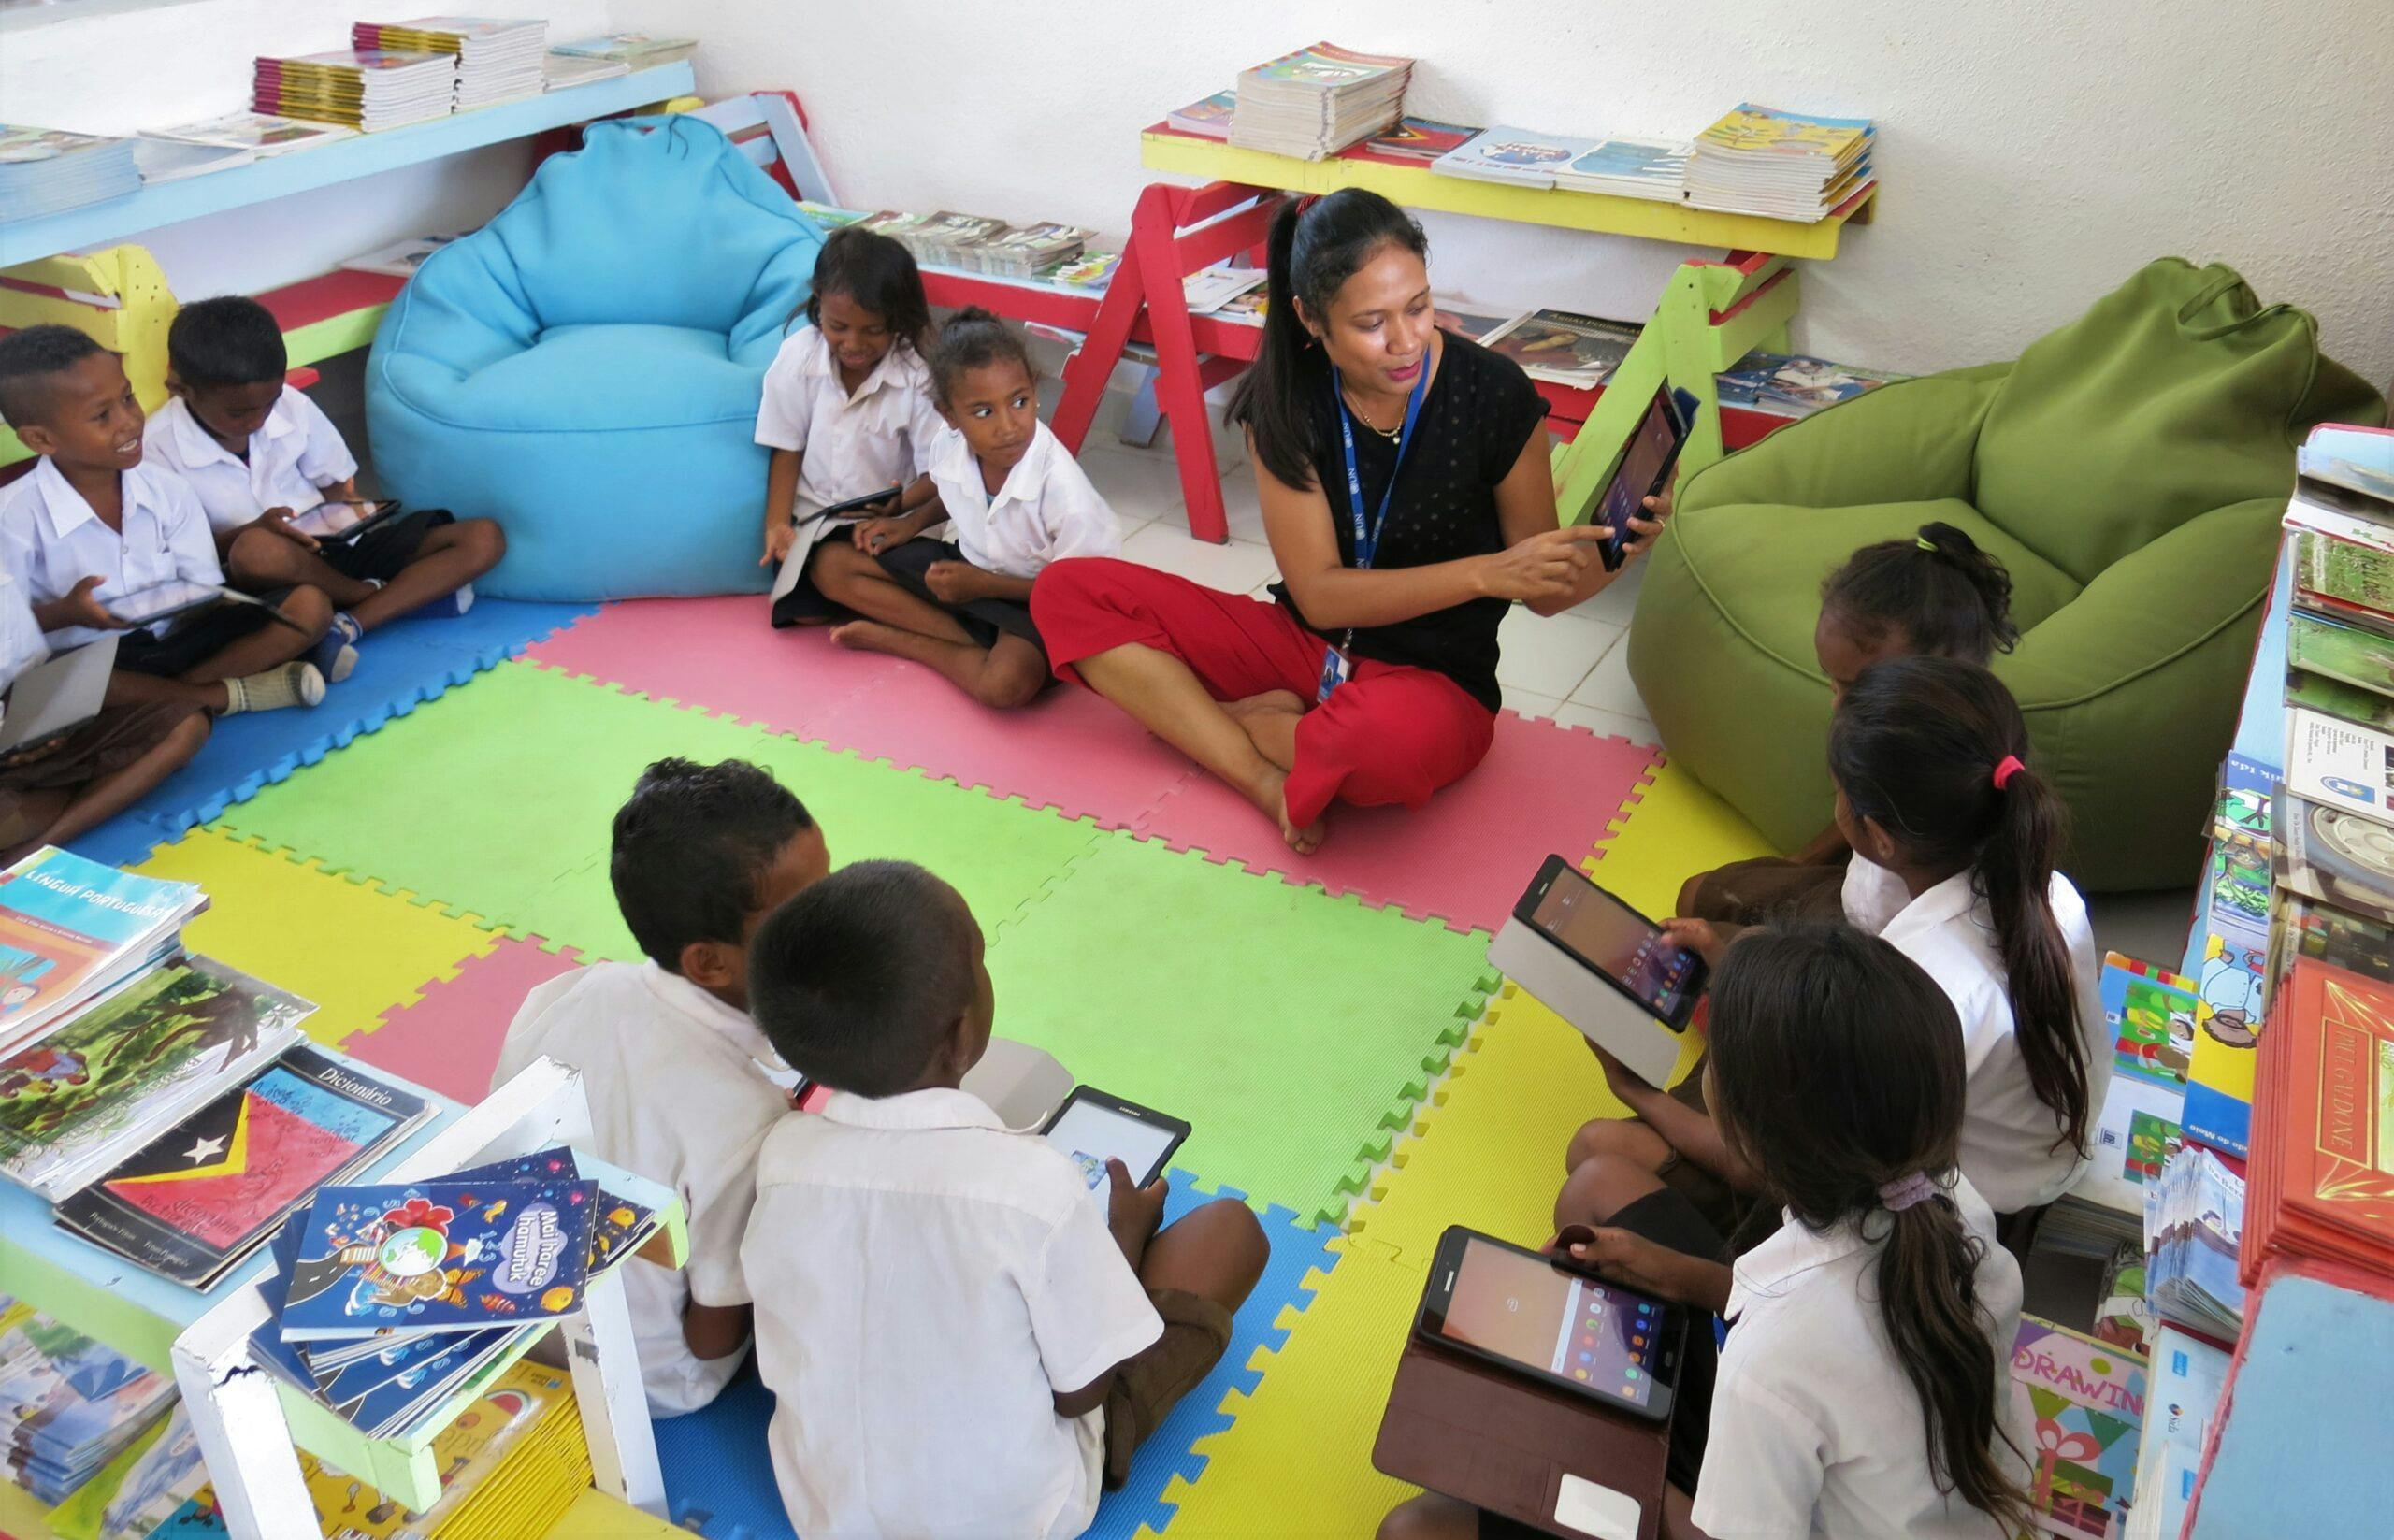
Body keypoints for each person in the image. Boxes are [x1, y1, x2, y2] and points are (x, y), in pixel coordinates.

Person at [1032, 189, 1661, 855]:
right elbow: (1321, 594)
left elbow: (1543, 590)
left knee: (1375, 750)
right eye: (1371, 323)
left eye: (1418, 307)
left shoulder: (1494, 394)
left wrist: (1619, 549)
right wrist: (1484, 573)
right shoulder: (1285, 403)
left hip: (1435, 683)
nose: (1405, 340)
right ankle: (1259, 776)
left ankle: (1220, 723)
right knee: (1066, 592)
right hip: (1306, 647)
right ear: (1310, 317)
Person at [1382, 922, 2031, 1540]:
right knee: (1598, 1185)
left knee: (1408, 1531)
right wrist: (1677, 1274)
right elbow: (1834, 1332)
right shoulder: (1937, 1191)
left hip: (1758, 1486)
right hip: (1840, 1462)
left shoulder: (1771, 1364)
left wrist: (1610, 1453)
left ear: (1749, 1139)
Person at [742, 860, 1267, 1539]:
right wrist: (1122, 1245)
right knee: (1232, 1230)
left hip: (828, 1510)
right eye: (981, 959)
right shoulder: (1032, 1185)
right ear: (963, 1035)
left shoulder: (781, 1159)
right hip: (1019, 1515)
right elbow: (1079, 1391)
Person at [1574, 656, 2106, 1233]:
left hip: (1949, 1211)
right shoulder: (2046, 888)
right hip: (2017, 1148)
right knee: (1715, 908)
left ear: (1877, 835)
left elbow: (1782, 1172)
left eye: (1839, 793)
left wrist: (1635, 1090)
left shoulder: (1909, 997)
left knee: (1597, 1152)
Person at [490, 757, 828, 1417]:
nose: (834, 923)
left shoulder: (572, 989)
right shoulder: (750, 1122)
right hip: (648, 1380)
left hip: (501, 1310)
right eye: (805, 917)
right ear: (708, 960)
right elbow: (709, 1339)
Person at [143, 295, 504, 684]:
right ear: (179, 387)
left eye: (270, 402)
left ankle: (347, 625)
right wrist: (255, 530)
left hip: (331, 550)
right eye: (239, 413)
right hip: (260, 580)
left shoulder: (291, 406)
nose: (258, 419)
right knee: (257, 551)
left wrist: (351, 514)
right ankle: (376, 597)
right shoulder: (156, 449)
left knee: (483, 538)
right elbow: (186, 559)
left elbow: (336, 486)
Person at [1678, 521, 2018, 925]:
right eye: (1832, 681)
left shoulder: (1961, 770)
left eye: (1855, 689)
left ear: (1938, 683)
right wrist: (1797, 865)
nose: (1839, 705)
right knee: (1696, 897)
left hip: (1874, 933)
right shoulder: (1896, 735)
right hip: (1862, 880)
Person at [0, 325, 327, 716]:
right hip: (102, 661)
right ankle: (224, 697)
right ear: (40, 439)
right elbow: (10, 643)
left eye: (128, 398)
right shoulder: (13, 518)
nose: (129, 421)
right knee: (77, 685)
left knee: (309, 606)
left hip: (178, 640)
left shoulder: (168, 490)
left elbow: (204, 588)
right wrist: (66, 613)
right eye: (102, 416)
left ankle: (173, 701)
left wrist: (206, 601)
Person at [811, 308, 1120, 708]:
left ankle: (903, 639)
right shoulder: (949, 443)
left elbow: (1085, 594)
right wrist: (910, 523)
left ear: (1035, 391)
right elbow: (952, 490)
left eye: (1020, 402)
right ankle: (971, 642)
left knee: (1004, 686)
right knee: (829, 564)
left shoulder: (1065, 492)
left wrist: (985, 587)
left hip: (1034, 601)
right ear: (949, 415)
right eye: (984, 412)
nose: (1008, 426)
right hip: (970, 573)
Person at [755, 225, 947, 626]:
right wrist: (777, 525)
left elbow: (942, 473)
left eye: (873, 330)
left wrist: (902, 511)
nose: (854, 344)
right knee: (806, 605)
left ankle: (944, 633)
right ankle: (904, 615)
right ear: (818, 306)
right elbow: (786, 447)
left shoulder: (918, 376)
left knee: (841, 572)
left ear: (898, 321)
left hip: (893, 530)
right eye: (838, 327)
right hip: (817, 527)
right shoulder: (797, 358)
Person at [0, 566, 209, 863]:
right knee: (10, 818)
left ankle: (37, 846)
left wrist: (51, 723)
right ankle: (78, 795)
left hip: (24, 735)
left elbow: (30, 669)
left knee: (186, 725)